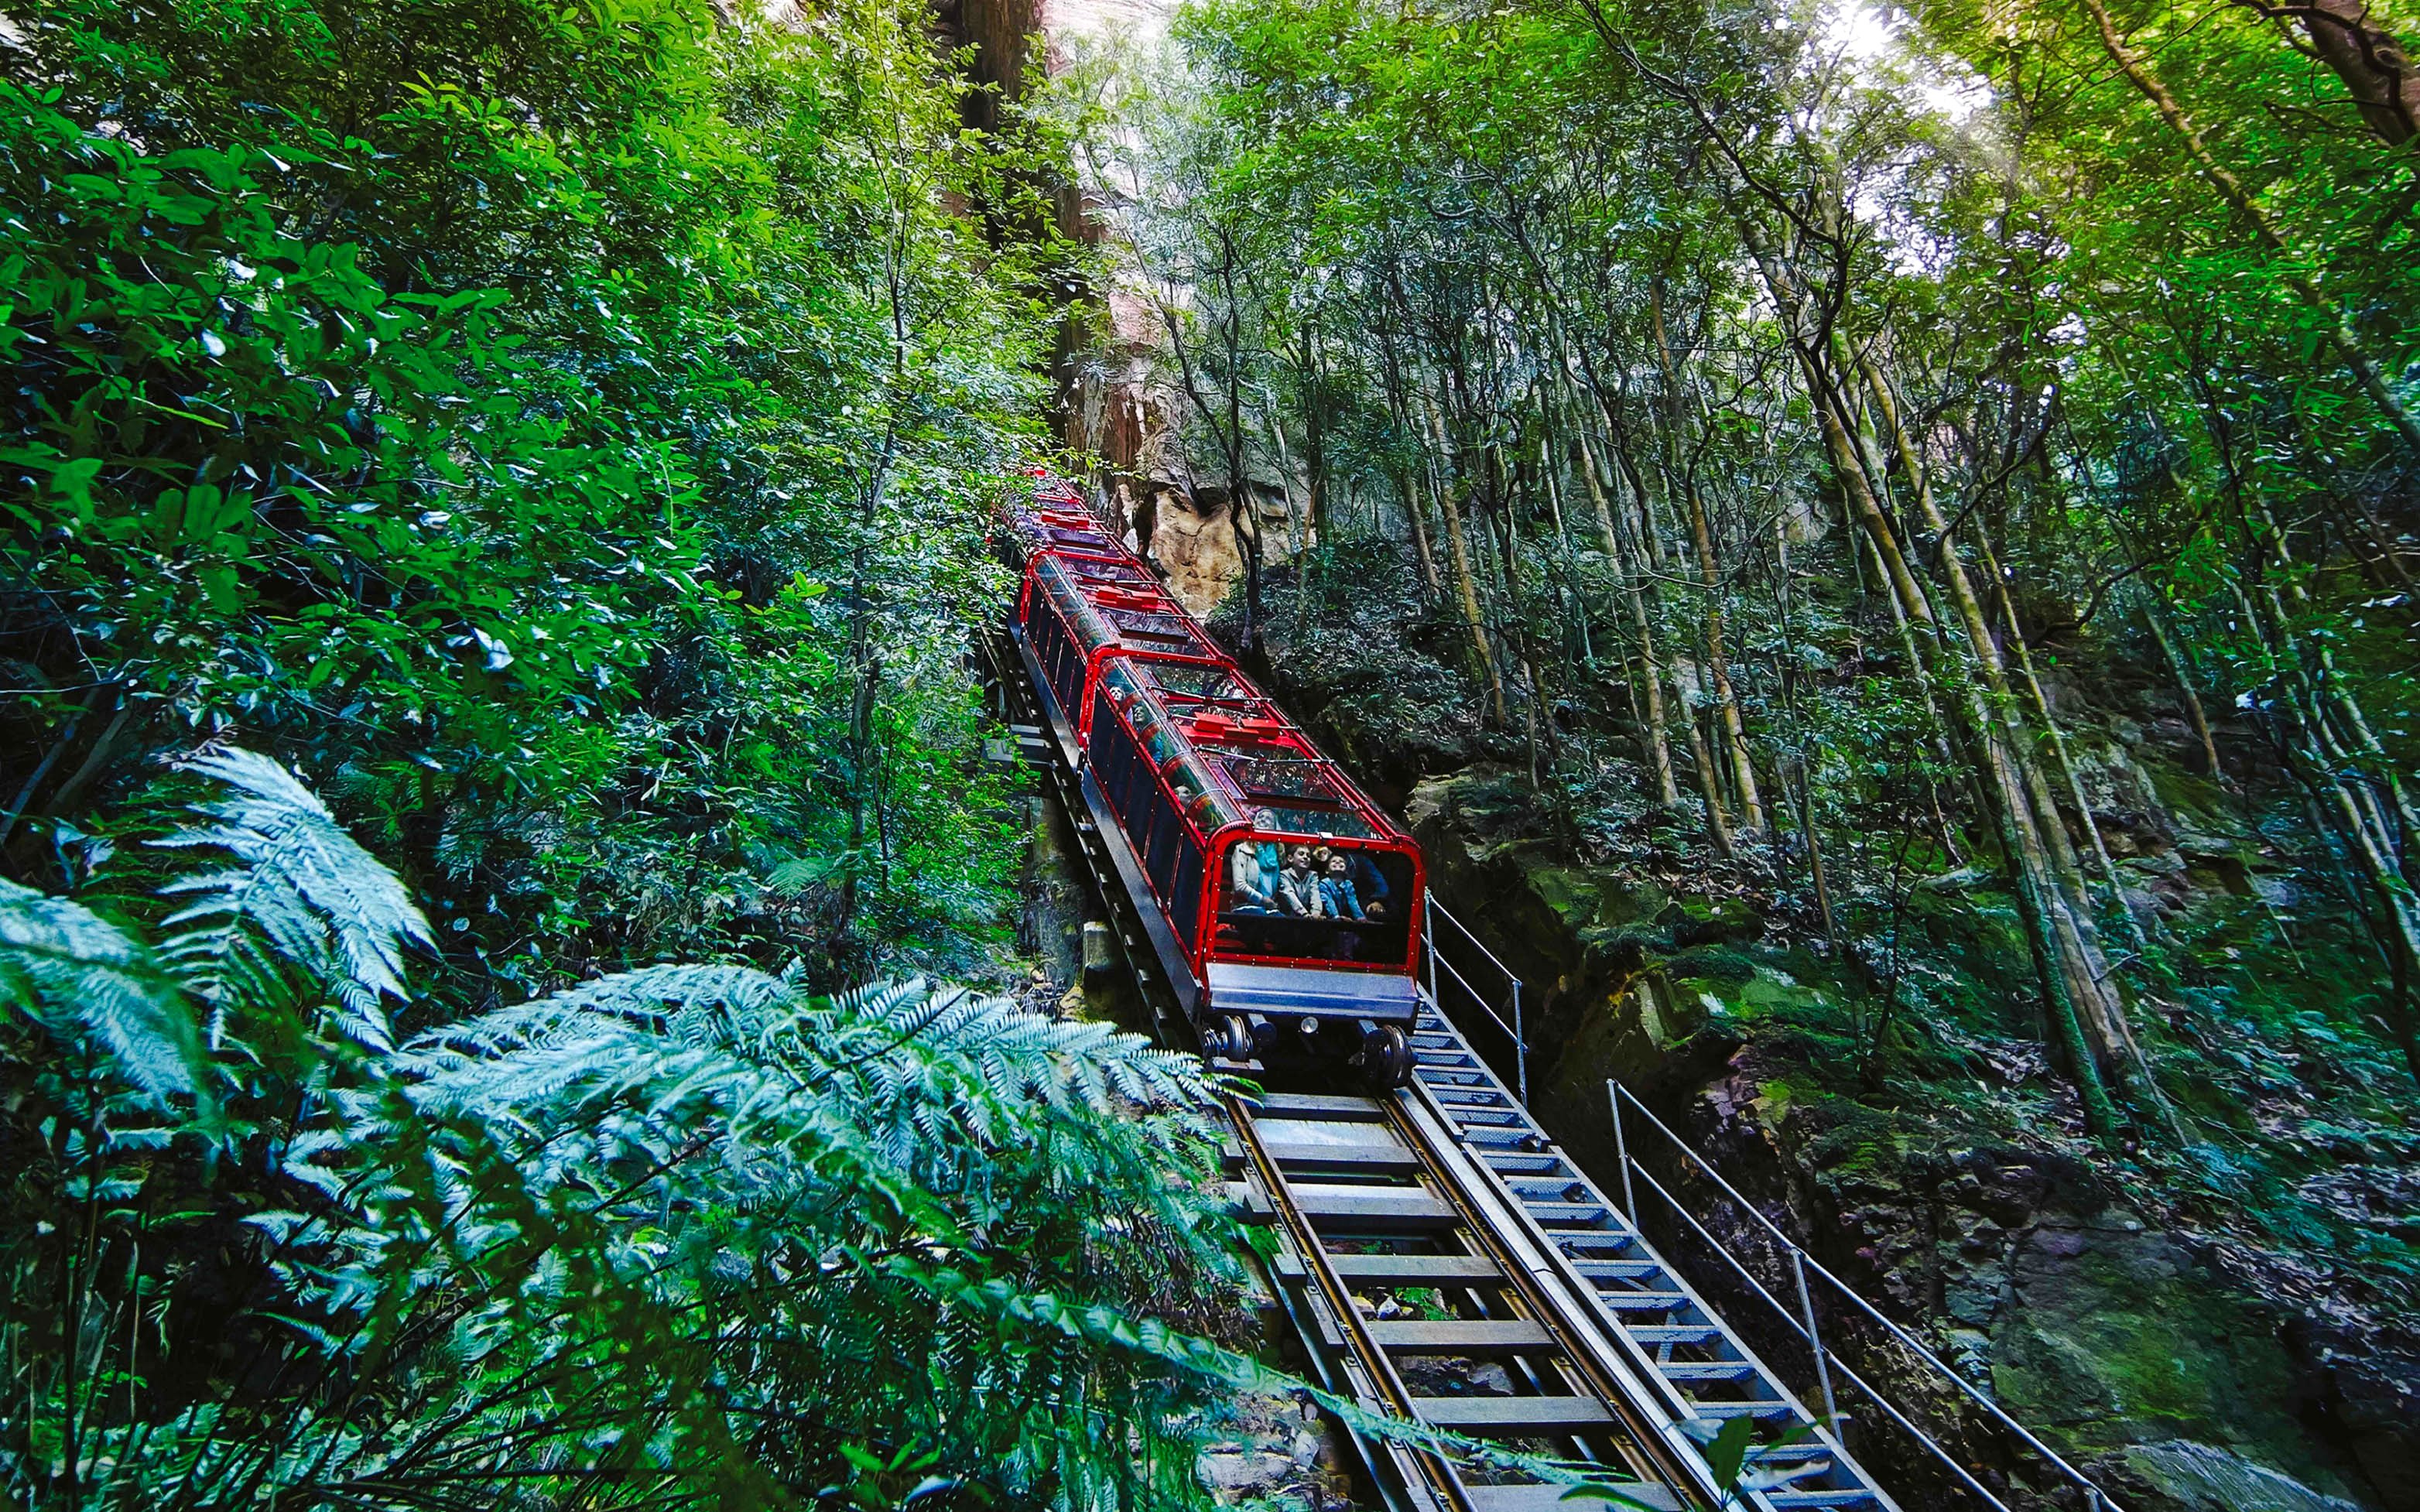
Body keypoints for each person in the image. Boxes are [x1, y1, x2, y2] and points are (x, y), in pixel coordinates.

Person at [1275, 845, 1326, 916]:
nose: (1305, 857)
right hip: (1286, 917)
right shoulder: (1284, 875)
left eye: (1308, 856)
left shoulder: (1313, 876)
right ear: (1290, 858)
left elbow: (1315, 894)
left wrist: (1316, 912)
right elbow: (1289, 894)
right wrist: (1304, 913)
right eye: (1301, 854)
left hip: (1307, 917)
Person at [1320, 848, 1367, 920]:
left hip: (1343, 916)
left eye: (1341, 861)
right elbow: (1328, 901)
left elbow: (1353, 901)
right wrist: (1336, 916)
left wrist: (1360, 917)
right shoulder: (1324, 884)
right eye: (1334, 861)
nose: (1338, 862)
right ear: (1327, 871)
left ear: (1346, 870)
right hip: (1327, 917)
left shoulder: (1348, 884)